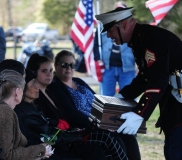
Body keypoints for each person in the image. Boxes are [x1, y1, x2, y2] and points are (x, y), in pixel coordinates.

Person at [95, 5, 182, 160]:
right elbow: (144, 78)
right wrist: (121, 97)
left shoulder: (151, 40)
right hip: (173, 102)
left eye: (110, 30)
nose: (108, 35)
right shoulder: (140, 40)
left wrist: (139, 114)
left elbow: (157, 81)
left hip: (178, 101)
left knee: (176, 152)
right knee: (171, 150)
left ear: (123, 25)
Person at [25, 53, 130, 160]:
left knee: (123, 138)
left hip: (73, 133)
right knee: (105, 139)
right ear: (34, 73)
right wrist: (90, 126)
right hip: (63, 140)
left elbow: (98, 99)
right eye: (44, 71)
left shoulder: (50, 92)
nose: (49, 74)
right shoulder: (43, 95)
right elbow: (63, 118)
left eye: (50, 71)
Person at [47, 50, 141, 160]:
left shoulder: (78, 81)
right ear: (56, 65)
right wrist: (98, 124)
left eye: (72, 65)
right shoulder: (55, 86)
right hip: (87, 127)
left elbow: (98, 100)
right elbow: (71, 113)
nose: (69, 68)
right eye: (64, 65)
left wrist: (111, 119)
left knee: (129, 136)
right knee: (116, 139)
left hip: (102, 122)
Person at [0, 69, 53, 160]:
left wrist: (39, 152)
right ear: (17, 91)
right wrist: (40, 149)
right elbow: (5, 155)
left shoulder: (4, 110)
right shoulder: (3, 112)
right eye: (23, 89)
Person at [94, 1, 136, 96]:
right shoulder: (103, 26)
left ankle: (128, 111)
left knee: (128, 96)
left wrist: (139, 64)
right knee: (106, 97)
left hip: (127, 68)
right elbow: (96, 44)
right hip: (107, 67)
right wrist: (98, 59)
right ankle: (107, 111)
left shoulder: (132, 27)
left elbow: (138, 46)